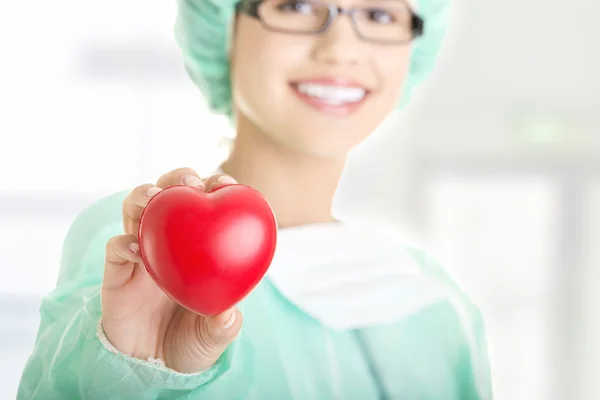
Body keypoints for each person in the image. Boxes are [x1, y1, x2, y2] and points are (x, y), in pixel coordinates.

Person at [18, 0, 493, 399]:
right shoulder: (141, 247)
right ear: (224, 28)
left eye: (380, 14)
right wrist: (136, 369)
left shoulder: (439, 305)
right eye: (298, 4)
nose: (342, 48)